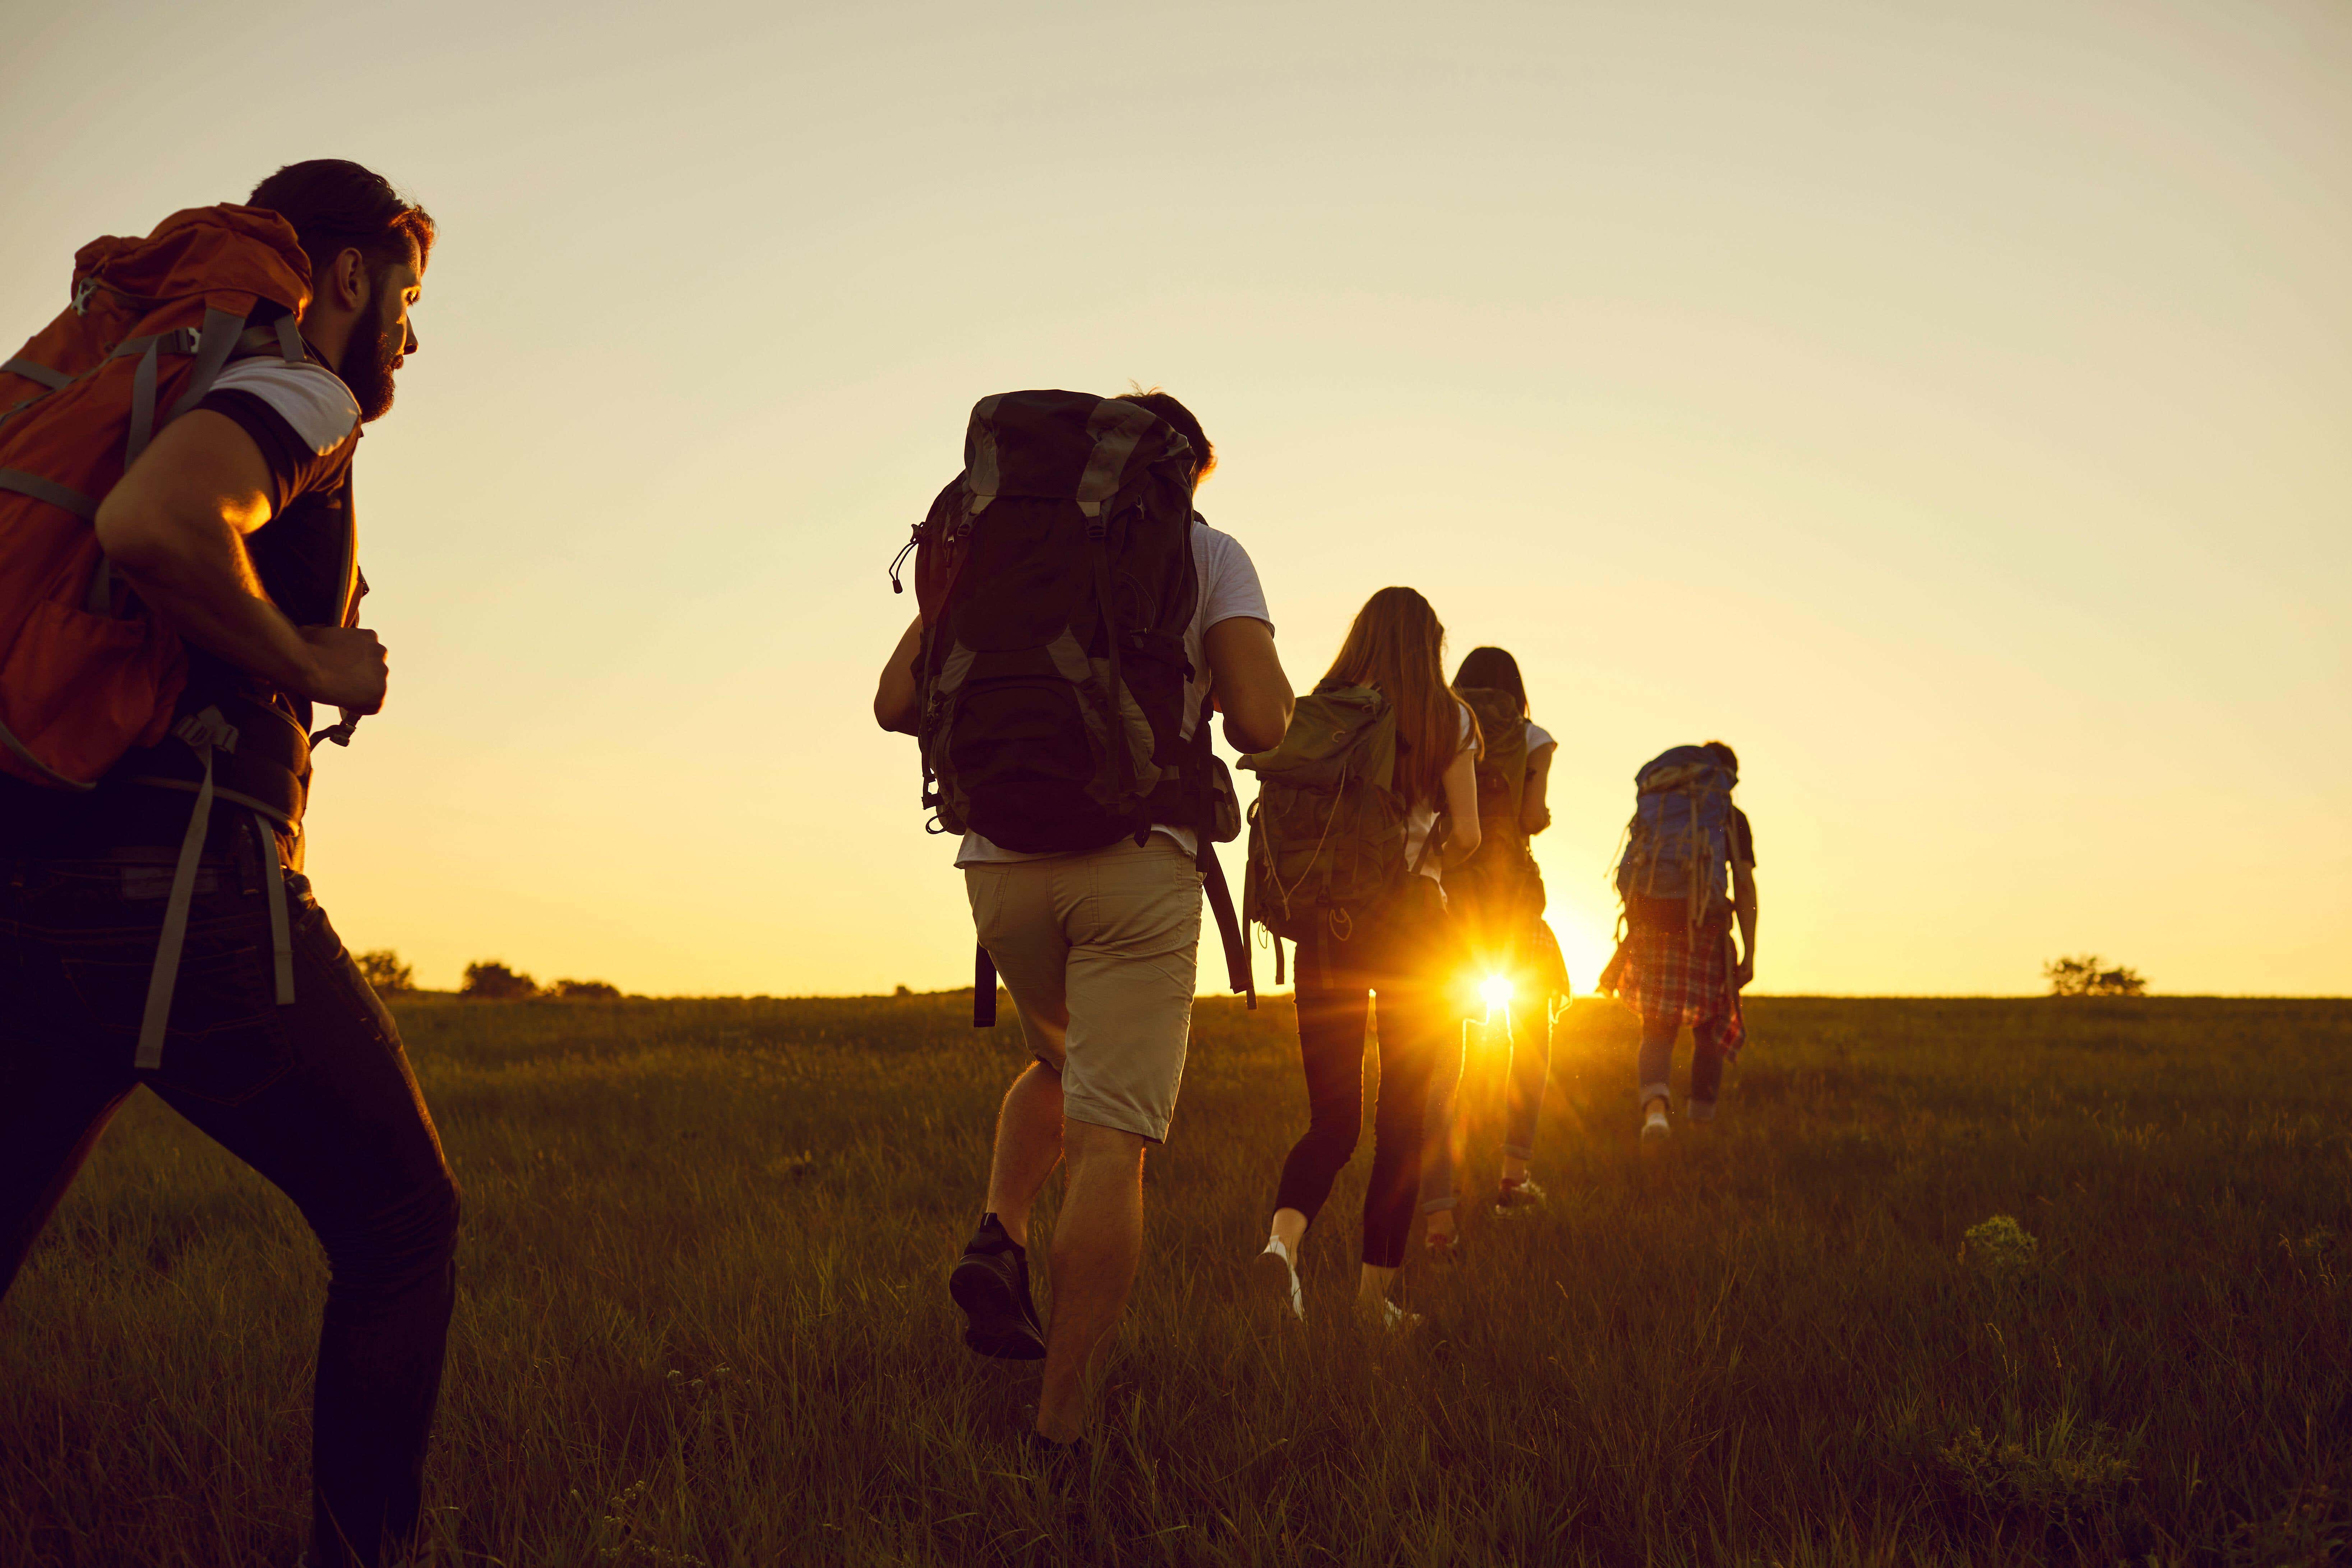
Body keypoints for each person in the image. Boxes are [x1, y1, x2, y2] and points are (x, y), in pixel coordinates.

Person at [0, 160, 456, 1568]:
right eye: (410, 298)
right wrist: (311, 653)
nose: (412, 338)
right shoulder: (293, 380)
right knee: (402, 1220)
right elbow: (155, 524)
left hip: (25, 874)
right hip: (177, 883)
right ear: (351, 272)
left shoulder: (134, 365)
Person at [873, 389, 1293, 1449]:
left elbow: (893, 700)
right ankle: (1061, 1433)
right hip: (1137, 861)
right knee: (1112, 1142)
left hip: (998, 866)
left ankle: (999, 1234)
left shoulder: (1008, 543)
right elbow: (1257, 717)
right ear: (1185, 471)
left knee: (1063, 1066)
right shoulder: (1209, 554)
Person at [1254, 587, 1480, 1326]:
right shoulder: (1449, 717)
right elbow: (1472, 834)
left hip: (1330, 928)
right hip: (1415, 935)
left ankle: (1282, 1250)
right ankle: (1371, 1303)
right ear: (1429, 645)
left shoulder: (1326, 710)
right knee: (1403, 1122)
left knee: (1334, 1121)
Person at [1416, 645, 1569, 1252]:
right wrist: (1539, 815)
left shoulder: (1440, 724)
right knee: (1531, 1036)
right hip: (1512, 901)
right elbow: (1530, 818)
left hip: (1444, 897)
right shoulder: (1534, 737)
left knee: (1435, 1065)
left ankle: (1437, 1221)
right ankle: (1513, 1180)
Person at [1603, 740, 1757, 1139]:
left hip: (1653, 923)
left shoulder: (1658, 809)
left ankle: (1655, 1114)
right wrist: (1751, 949)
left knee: (1657, 1029)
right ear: (1728, 777)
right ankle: (1700, 1127)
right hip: (1703, 927)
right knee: (1708, 1029)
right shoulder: (1728, 815)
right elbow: (1743, 883)